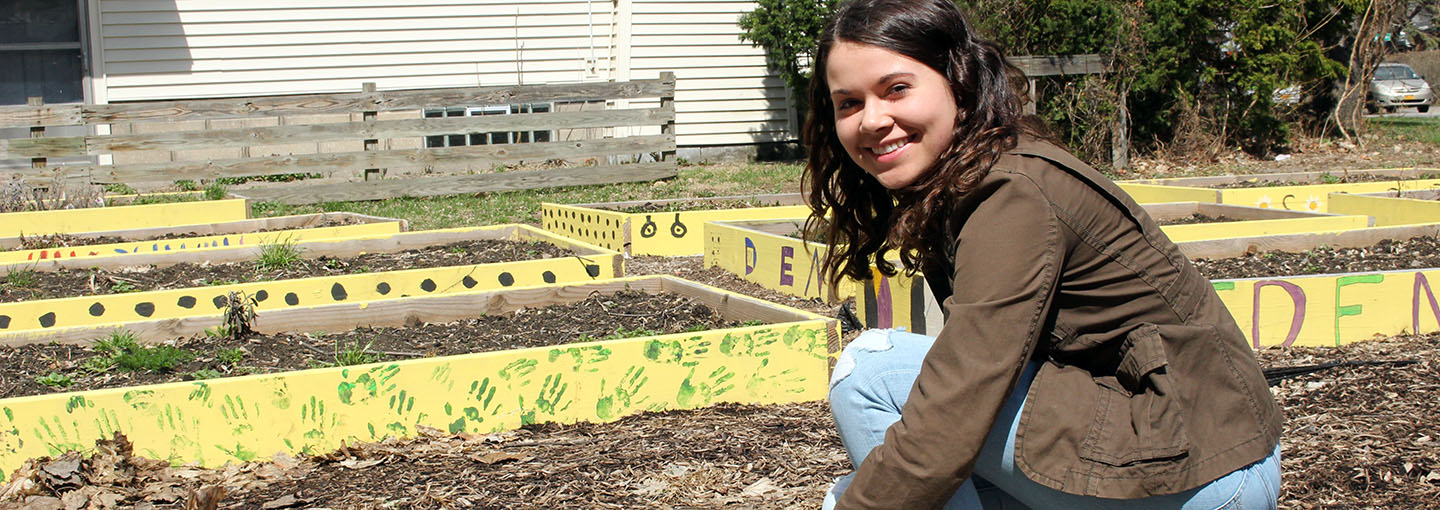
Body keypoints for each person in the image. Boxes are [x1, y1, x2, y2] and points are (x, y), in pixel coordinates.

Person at [803, 1, 1284, 508]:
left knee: (873, 373)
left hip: (1204, 474)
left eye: (896, 89)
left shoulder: (1011, 193)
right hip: (1194, 454)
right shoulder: (977, 175)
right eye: (849, 103)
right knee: (874, 485)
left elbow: (959, 402)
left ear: (959, 83)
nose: (873, 120)